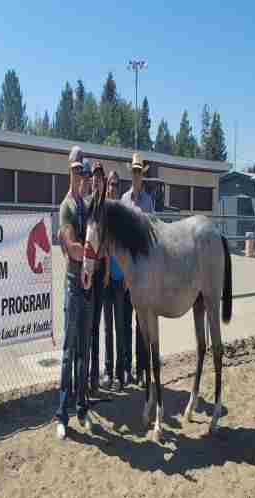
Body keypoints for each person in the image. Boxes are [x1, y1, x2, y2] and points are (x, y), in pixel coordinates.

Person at [55, 145, 93, 440]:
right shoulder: (67, 206)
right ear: (69, 170)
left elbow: (89, 246)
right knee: (69, 352)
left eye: (83, 170)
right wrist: (91, 251)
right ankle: (62, 413)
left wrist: (88, 251)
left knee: (83, 352)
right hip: (73, 284)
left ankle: (81, 407)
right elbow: (74, 248)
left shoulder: (86, 205)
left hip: (87, 284)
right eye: (76, 169)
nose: (80, 174)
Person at [120, 152, 154, 388]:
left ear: (143, 174)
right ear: (130, 174)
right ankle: (129, 368)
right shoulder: (123, 200)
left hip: (144, 271)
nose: (136, 175)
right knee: (128, 323)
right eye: (133, 171)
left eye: (139, 171)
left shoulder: (148, 202)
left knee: (144, 321)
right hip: (128, 271)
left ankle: (143, 370)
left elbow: (153, 236)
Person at [102, 171, 127, 391]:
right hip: (106, 280)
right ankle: (108, 371)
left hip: (119, 279)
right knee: (108, 329)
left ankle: (120, 374)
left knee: (120, 327)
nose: (112, 188)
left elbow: (127, 249)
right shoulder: (103, 212)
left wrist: (127, 275)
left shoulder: (122, 214)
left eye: (116, 185)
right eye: (110, 184)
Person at [87, 160, 106, 394]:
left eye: (99, 177)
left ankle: (94, 377)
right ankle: (87, 377)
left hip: (101, 270)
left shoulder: (106, 208)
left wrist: (106, 270)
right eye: (94, 176)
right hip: (88, 270)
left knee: (97, 325)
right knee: (88, 326)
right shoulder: (86, 204)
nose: (97, 180)